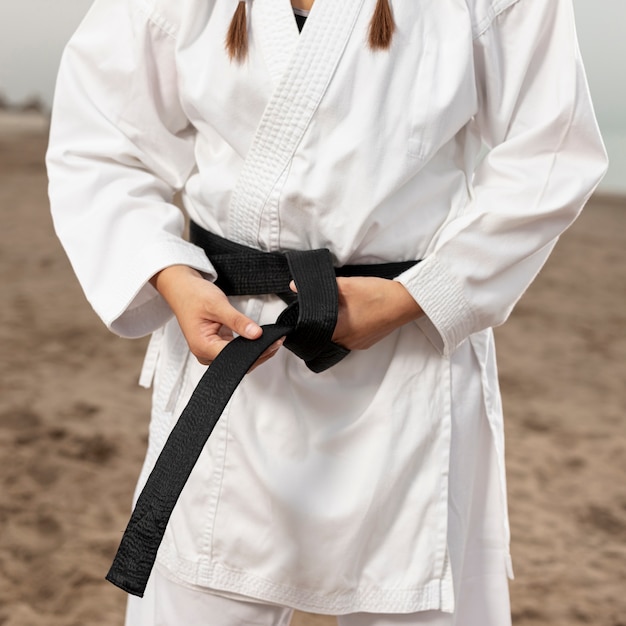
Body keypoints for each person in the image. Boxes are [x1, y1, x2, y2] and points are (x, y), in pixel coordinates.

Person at [46, 0, 607, 624]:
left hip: (406, 355)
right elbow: (101, 141)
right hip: (236, 347)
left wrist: (420, 296)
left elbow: (552, 152)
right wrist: (172, 277)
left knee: (414, 594)